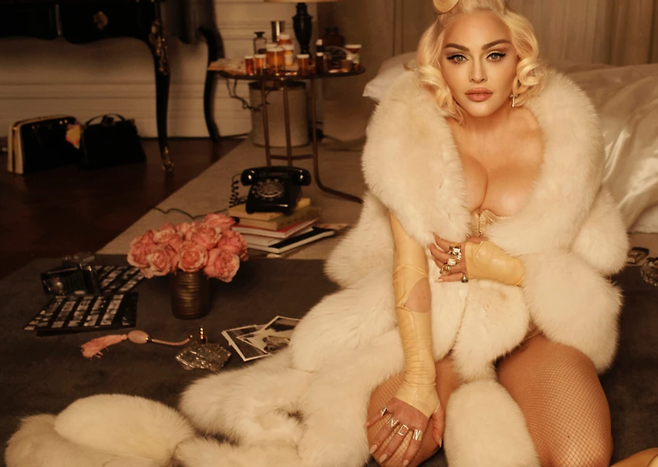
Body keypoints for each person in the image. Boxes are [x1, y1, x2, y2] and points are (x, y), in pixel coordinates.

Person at [5, 1, 656, 467]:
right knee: (392, 446)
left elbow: (589, 254)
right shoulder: (410, 135)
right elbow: (410, 269)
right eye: (459, 57)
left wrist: (497, 265)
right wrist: (419, 380)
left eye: (495, 55)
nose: (478, 75)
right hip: (440, 320)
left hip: (537, 317)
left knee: (582, 454)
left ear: (520, 59)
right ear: (439, 65)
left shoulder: (566, 134)